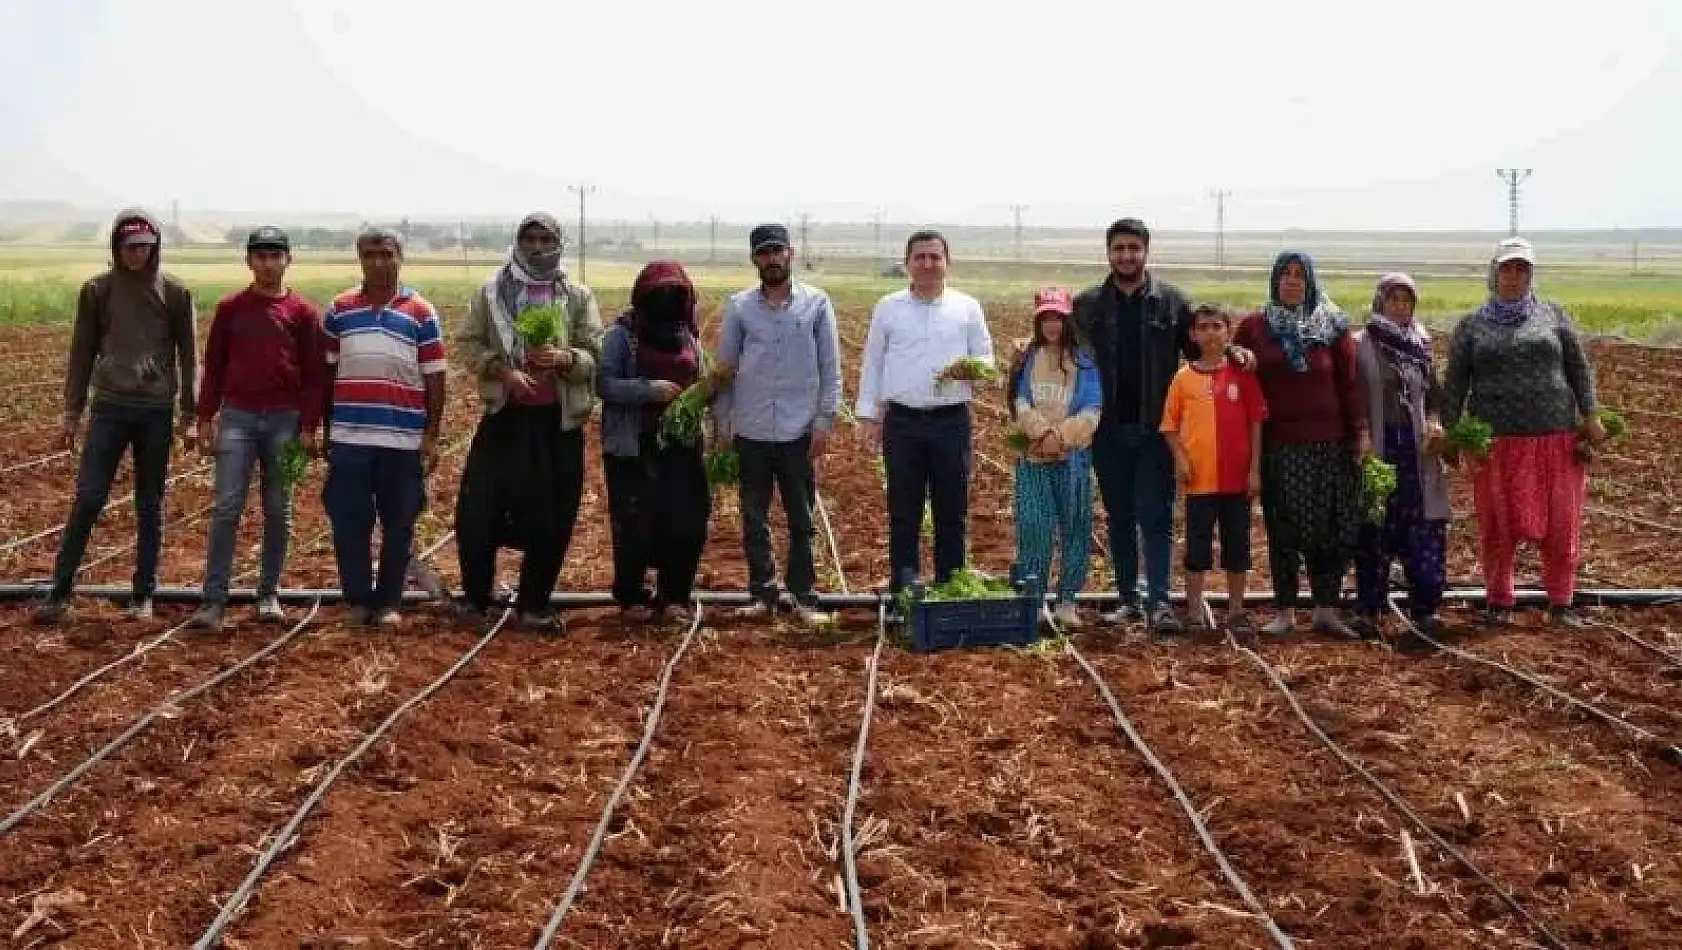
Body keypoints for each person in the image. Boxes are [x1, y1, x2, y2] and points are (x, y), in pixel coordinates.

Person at [1071, 218, 1248, 634]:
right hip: (1107, 428)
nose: (1126, 255)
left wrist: (1237, 352)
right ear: (1108, 252)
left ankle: (1160, 602)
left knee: (1156, 516)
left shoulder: (1172, 303)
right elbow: (1068, 354)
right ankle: (1128, 599)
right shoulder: (1089, 305)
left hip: (1156, 430)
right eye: (1119, 248)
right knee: (1118, 516)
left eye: (1134, 247)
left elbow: (1203, 349)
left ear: (1146, 251)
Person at [34, 210, 198, 625]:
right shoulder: (97, 291)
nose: (138, 254)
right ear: (117, 247)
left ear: (156, 246)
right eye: (130, 246)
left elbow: (190, 356)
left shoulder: (175, 294)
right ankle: (60, 590)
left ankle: (144, 593)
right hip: (109, 407)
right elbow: (81, 352)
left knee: (149, 503)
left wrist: (190, 414)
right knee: (89, 497)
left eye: (145, 245)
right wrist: (71, 413)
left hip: (155, 412)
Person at [1442, 237, 1604, 628]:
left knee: (1562, 523)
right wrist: (1451, 434)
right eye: (1507, 269)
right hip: (1496, 443)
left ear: (1530, 275)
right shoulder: (1472, 326)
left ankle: (1561, 604)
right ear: (1493, 274)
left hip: (1556, 438)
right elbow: (1454, 385)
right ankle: (1499, 602)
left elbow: (1578, 369)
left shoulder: (1553, 316)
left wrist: (1591, 413)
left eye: (1522, 270)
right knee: (1498, 525)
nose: (1514, 277)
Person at [453, 212, 603, 631]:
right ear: (519, 242)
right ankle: (477, 600)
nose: (536, 246)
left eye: (545, 238)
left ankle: (534, 604)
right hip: (506, 418)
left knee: (552, 516)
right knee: (477, 511)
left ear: (557, 243)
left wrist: (566, 358)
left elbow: (595, 352)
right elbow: (467, 343)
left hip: (557, 426)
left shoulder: (576, 295)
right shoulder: (491, 292)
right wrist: (502, 372)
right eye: (529, 238)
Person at [189, 227, 326, 630]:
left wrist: (310, 426)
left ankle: (269, 594)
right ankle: (213, 600)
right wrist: (204, 417)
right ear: (248, 262)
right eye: (260, 255)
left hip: (286, 423)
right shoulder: (231, 308)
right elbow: (213, 366)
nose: (268, 263)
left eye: (275, 255)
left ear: (288, 260)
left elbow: (315, 376)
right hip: (237, 420)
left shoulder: (303, 312)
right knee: (227, 507)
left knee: (279, 510)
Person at [713, 223, 842, 625]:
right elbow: (725, 371)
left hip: (798, 429)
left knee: (802, 517)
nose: (771, 259)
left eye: (776, 251)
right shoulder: (739, 308)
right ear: (754, 259)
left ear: (790, 252)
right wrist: (723, 424)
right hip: (750, 429)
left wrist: (823, 421)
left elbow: (831, 369)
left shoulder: (816, 304)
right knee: (754, 515)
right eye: (763, 253)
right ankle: (763, 594)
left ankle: (804, 596)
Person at [1235, 251, 1368, 638]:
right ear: (1274, 280)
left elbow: (1349, 383)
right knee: (1285, 529)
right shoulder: (1256, 328)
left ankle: (1327, 609)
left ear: (1310, 281)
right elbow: (1236, 365)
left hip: (1330, 443)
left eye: (1299, 275)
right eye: (1284, 274)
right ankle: (1286, 611)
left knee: (1334, 529)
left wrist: (1359, 431)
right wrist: (1235, 354)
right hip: (1280, 444)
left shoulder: (1333, 326)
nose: (1291, 281)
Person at [856, 230, 994, 597]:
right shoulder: (889, 307)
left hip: (951, 421)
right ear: (907, 264)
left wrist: (972, 369)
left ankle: (950, 582)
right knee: (904, 507)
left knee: (952, 508)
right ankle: (905, 582)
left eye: (935, 257)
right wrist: (869, 414)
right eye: (920, 257)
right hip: (902, 422)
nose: (928, 264)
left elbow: (986, 359)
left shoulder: (967, 307)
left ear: (947, 263)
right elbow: (873, 362)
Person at [321, 227, 446, 627]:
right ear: (360, 259)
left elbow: (435, 378)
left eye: (386, 254)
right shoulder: (340, 310)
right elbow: (326, 375)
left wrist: (431, 436)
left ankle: (390, 600)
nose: (378, 262)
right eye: (370, 254)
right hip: (350, 436)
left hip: (402, 438)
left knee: (400, 523)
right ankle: (358, 600)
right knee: (350, 521)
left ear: (399, 257)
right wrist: (326, 430)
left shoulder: (421, 313)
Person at [599, 260, 713, 624]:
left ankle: (675, 596)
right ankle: (632, 595)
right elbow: (603, 384)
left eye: (674, 293)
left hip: (682, 443)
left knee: (686, 518)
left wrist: (699, 396)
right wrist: (649, 391)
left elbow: (703, 376)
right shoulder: (623, 336)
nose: (666, 300)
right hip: (634, 444)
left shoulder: (688, 334)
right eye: (658, 293)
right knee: (634, 519)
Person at [1352, 273, 1450, 647]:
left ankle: (1425, 609)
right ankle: (1370, 608)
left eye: (1406, 301)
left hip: (1416, 451)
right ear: (1379, 302)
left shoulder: (1421, 344)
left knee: (1423, 526)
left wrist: (1435, 423)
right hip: (1379, 446)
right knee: (1374, 525)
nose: (1399, 307)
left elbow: (1436, 396)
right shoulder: (1360, 344)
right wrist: (1360, 433)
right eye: (1392, 300)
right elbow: (1355, 395)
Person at [1160, 303, 1267, 635]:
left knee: (1237, 545)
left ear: (1228, 332)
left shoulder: (1242, 375)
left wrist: (1254, 470)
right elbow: (1169, 425)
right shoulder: (1183, 378)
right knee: (1197, 547)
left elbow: (1256, 423)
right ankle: (1194, 610)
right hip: (1199, 481)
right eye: (1203, 327)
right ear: (1192, 334)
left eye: (1216, 326)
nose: (1210, 333)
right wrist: (1179, 458)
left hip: (1236, 480)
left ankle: (1236, 610)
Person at [1008, 287, 1102, 628]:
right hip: (1033, 455)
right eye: (1046, 318)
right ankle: (1033, 600)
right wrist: (1041, 434)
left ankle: (1066, 600)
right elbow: (1019, 401)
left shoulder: (1084, 360)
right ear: (1038, 320)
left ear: (1068, 320)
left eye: (1058, 318)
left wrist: (1061, 437)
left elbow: (1093, 407)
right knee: (1034, 525)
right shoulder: (1026, 357)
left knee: (1075, 526)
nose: (1052, 325)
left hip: (1072, 457)